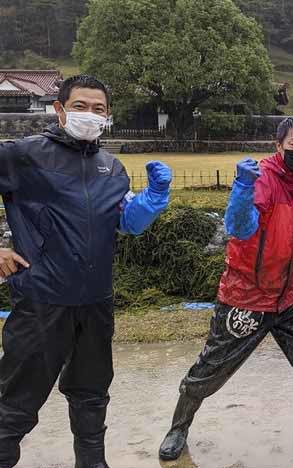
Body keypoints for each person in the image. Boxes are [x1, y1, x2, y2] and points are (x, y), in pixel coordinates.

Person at [0, 75, 172, 468]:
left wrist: (152, 201)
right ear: (59, 110)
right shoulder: (24, 155)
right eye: (80, 106)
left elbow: (125, 223)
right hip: (43, 302)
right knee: (17, 403)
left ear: (108, 116)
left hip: (96, 302)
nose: (89, 115)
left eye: (98, 109)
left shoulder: (111, 167)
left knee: (92, 393)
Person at [158, 116, 293, 461]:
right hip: (247, 295)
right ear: (278, 146)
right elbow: (238, 227)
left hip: (291, 295)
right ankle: (178, 427)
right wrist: (243, 189)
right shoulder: (262, 179)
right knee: (211, 369)